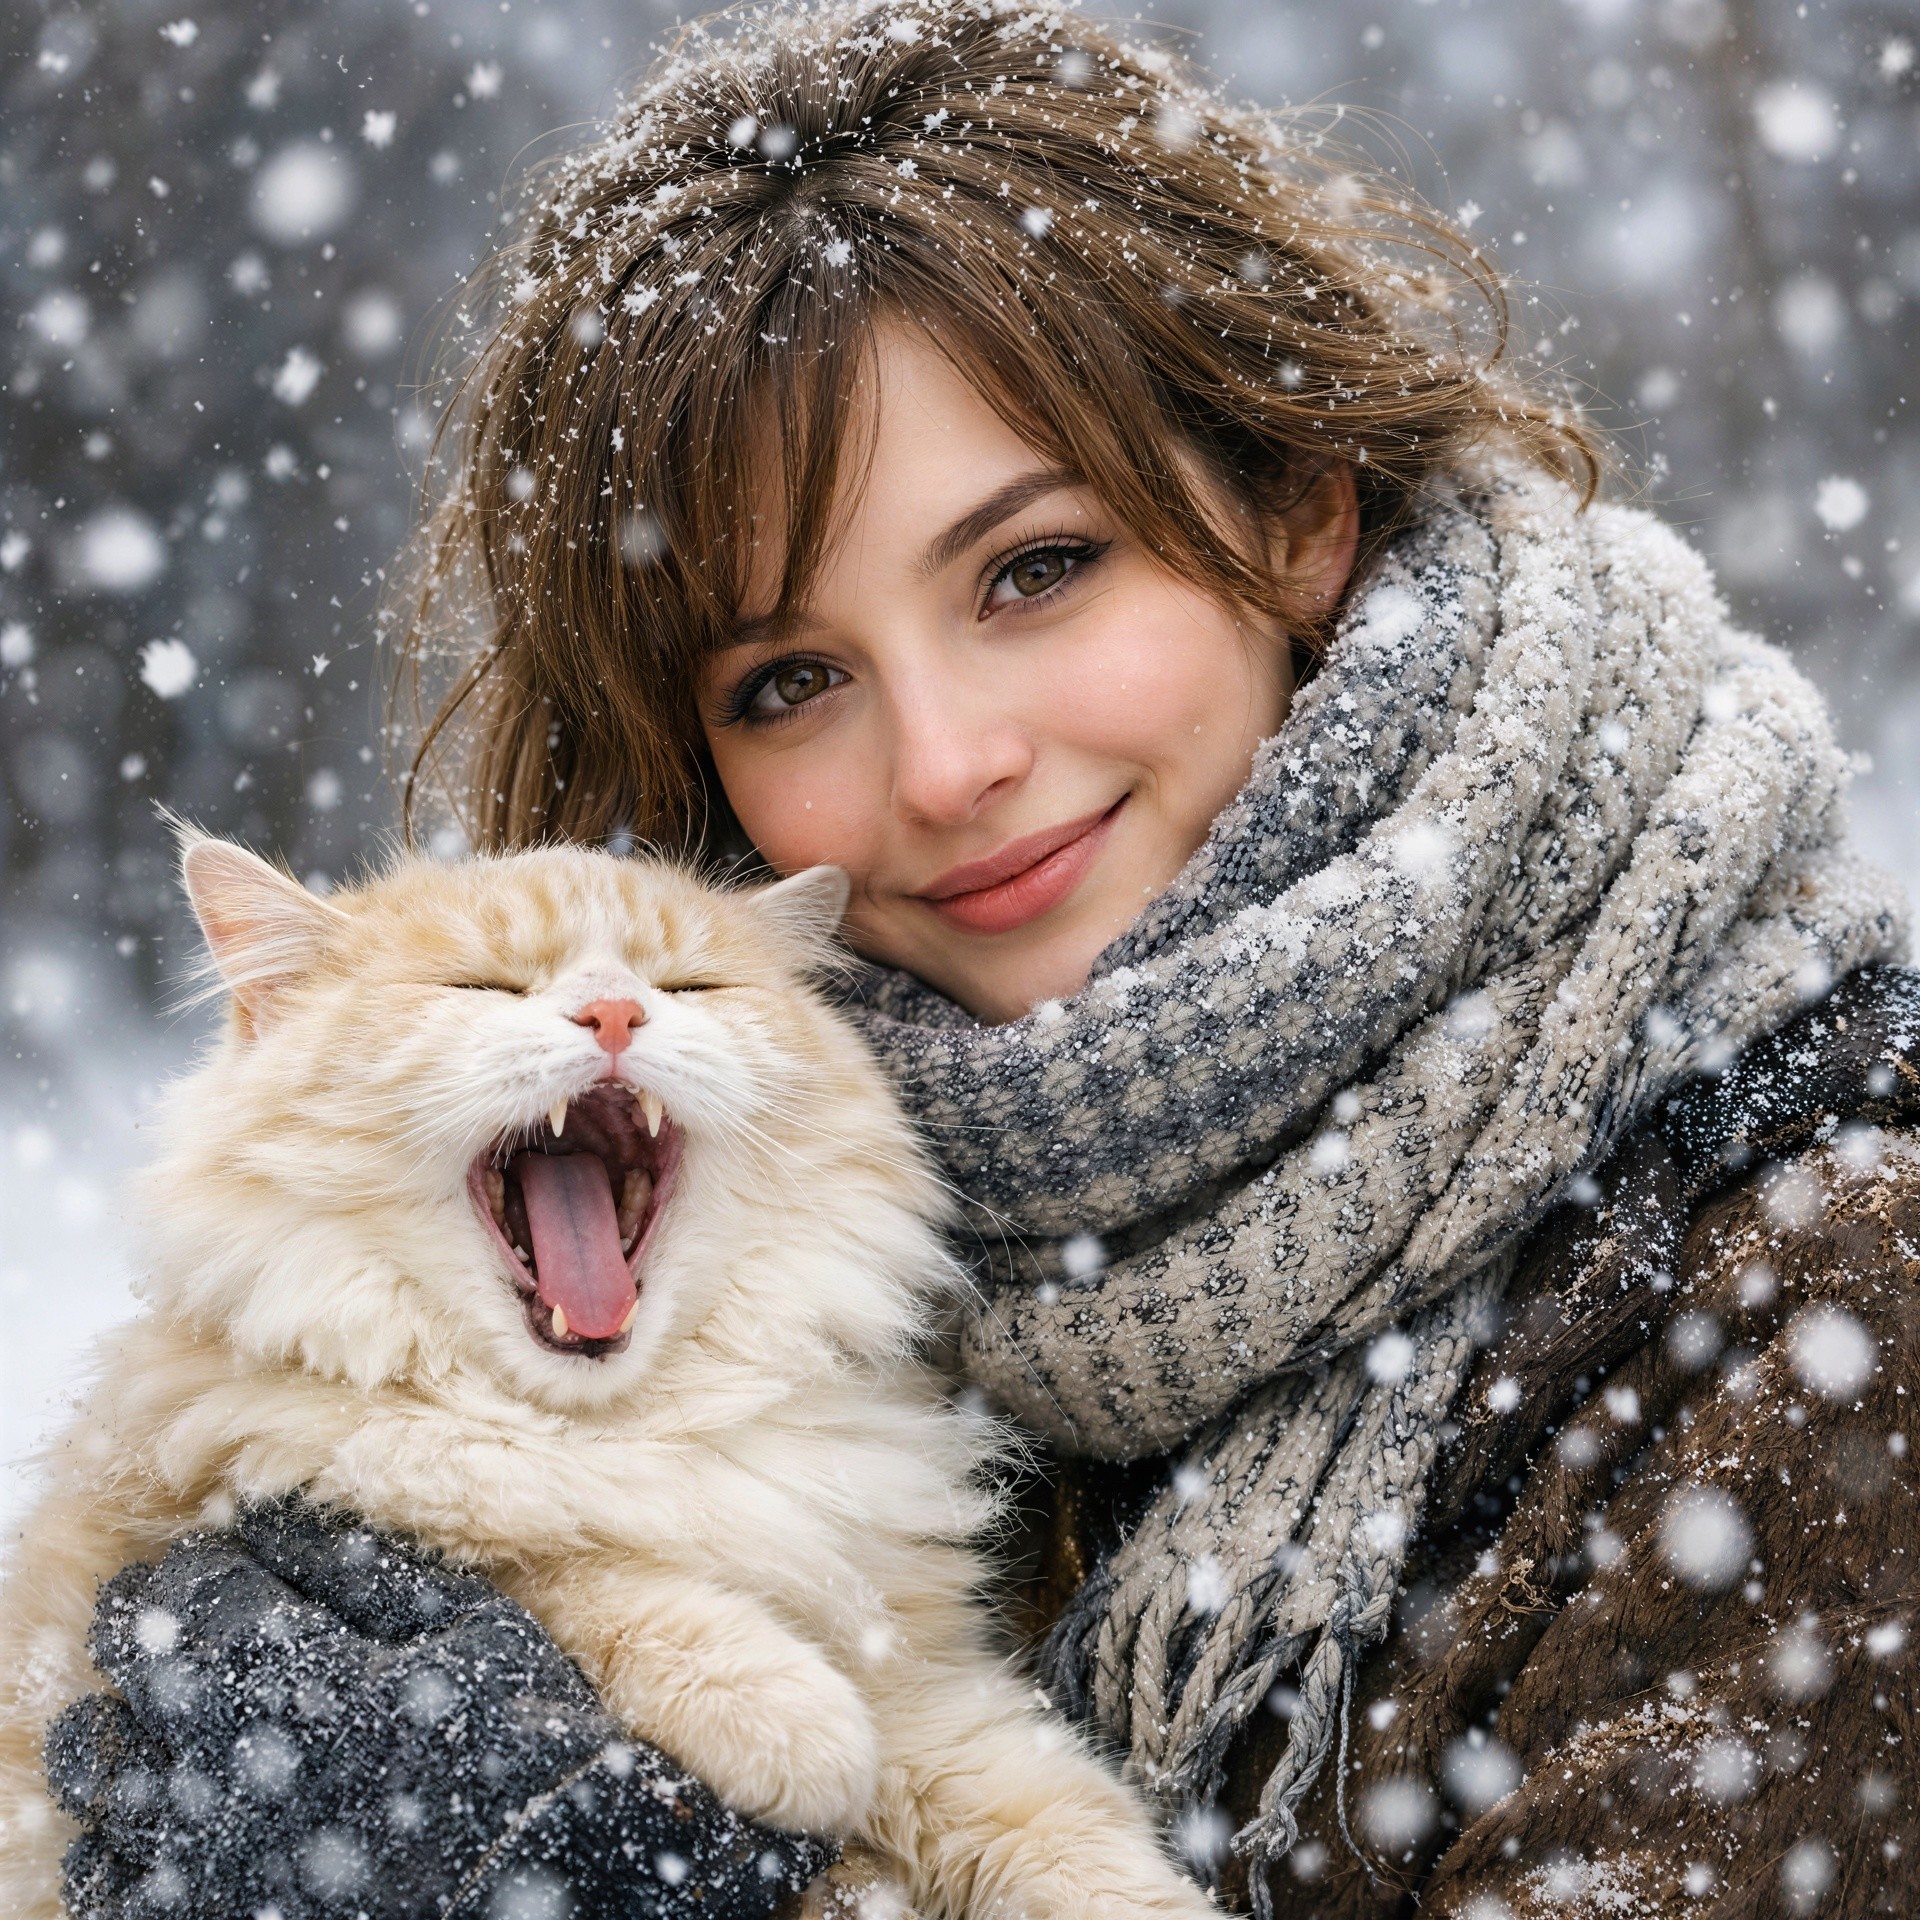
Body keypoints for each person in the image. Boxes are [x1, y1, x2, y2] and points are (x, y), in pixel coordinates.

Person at [52, 4, 1920, 1916]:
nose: (946, 768)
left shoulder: (1832, 1292)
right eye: (793, 681)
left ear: (1292, 507)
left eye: (1034, 568)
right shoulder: (799, 1257)